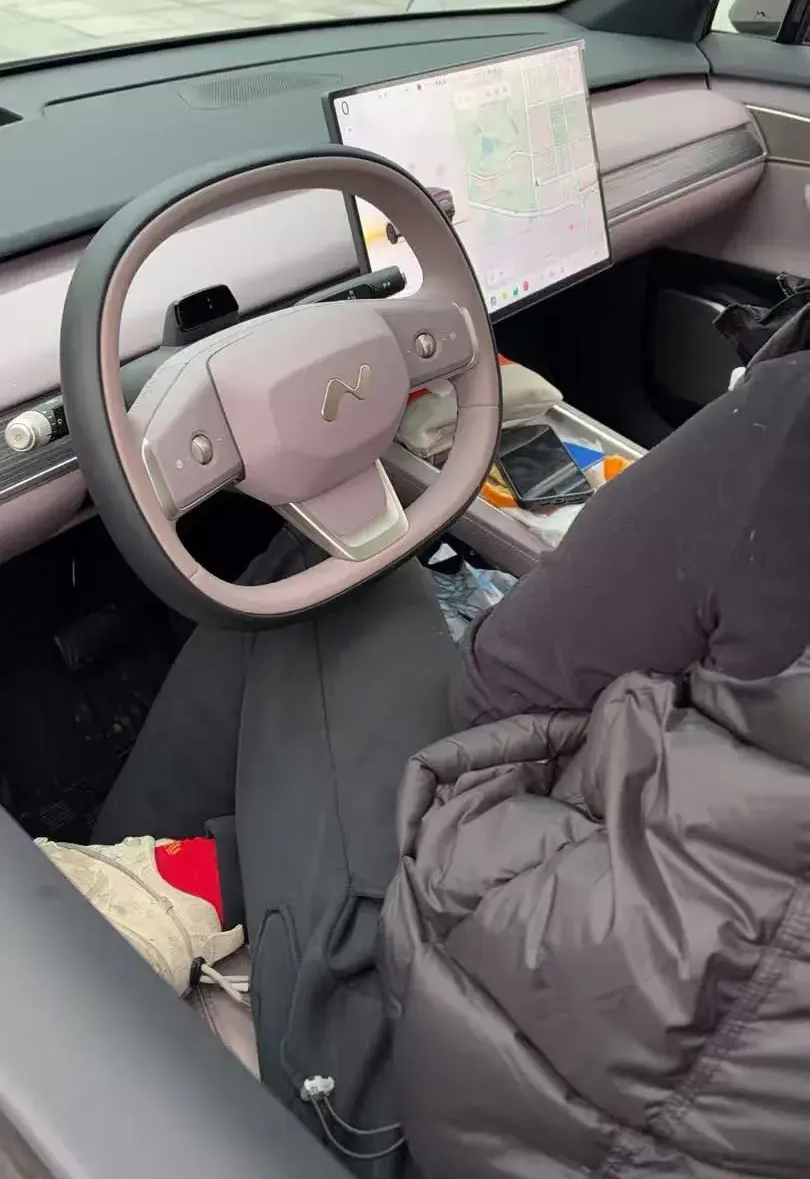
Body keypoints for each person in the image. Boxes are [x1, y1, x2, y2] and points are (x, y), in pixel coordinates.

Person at [41, 292, 810, 1178]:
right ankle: (210, 871)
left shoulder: (791, 431)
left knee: (331, 572)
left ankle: (91, 934)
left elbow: (501, 693)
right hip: (687, 1102)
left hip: (458, 1096)